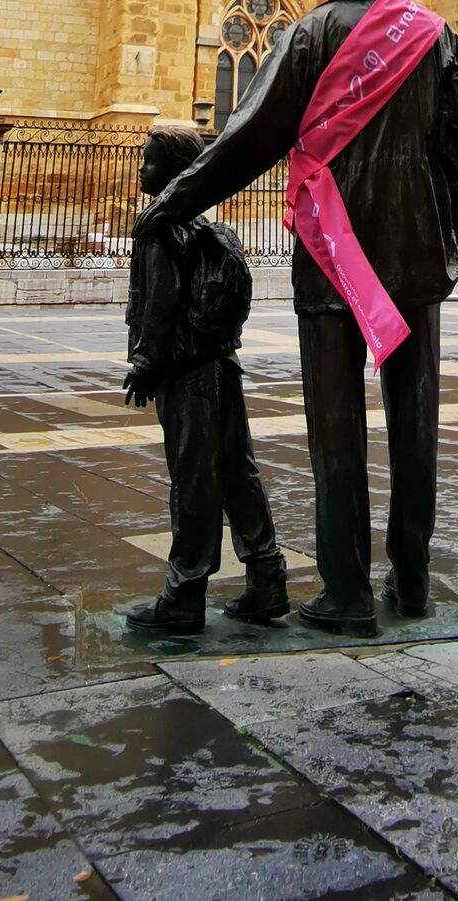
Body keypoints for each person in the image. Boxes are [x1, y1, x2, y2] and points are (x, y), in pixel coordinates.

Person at [136, 0, 458, 637]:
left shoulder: (311, 32)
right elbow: (457, 157)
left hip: (332, 255)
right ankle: (410, 579)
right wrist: (442, 238)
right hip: (413, 258)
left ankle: (347, 590)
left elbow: (249, 137)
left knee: (334, 427)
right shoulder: (436, 34)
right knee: (417, 425)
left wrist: (173, 199)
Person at [122, 120, 288, 634]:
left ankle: (185, 591)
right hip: (222, 362)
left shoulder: (160, 223)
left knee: (192, 480)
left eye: (149, 160)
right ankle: (266, 579)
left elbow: (159, 301)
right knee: (239, 472)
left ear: (173, 168)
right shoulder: (204, 224)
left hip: (186, 369)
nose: (140, 169)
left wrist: (146, 363)